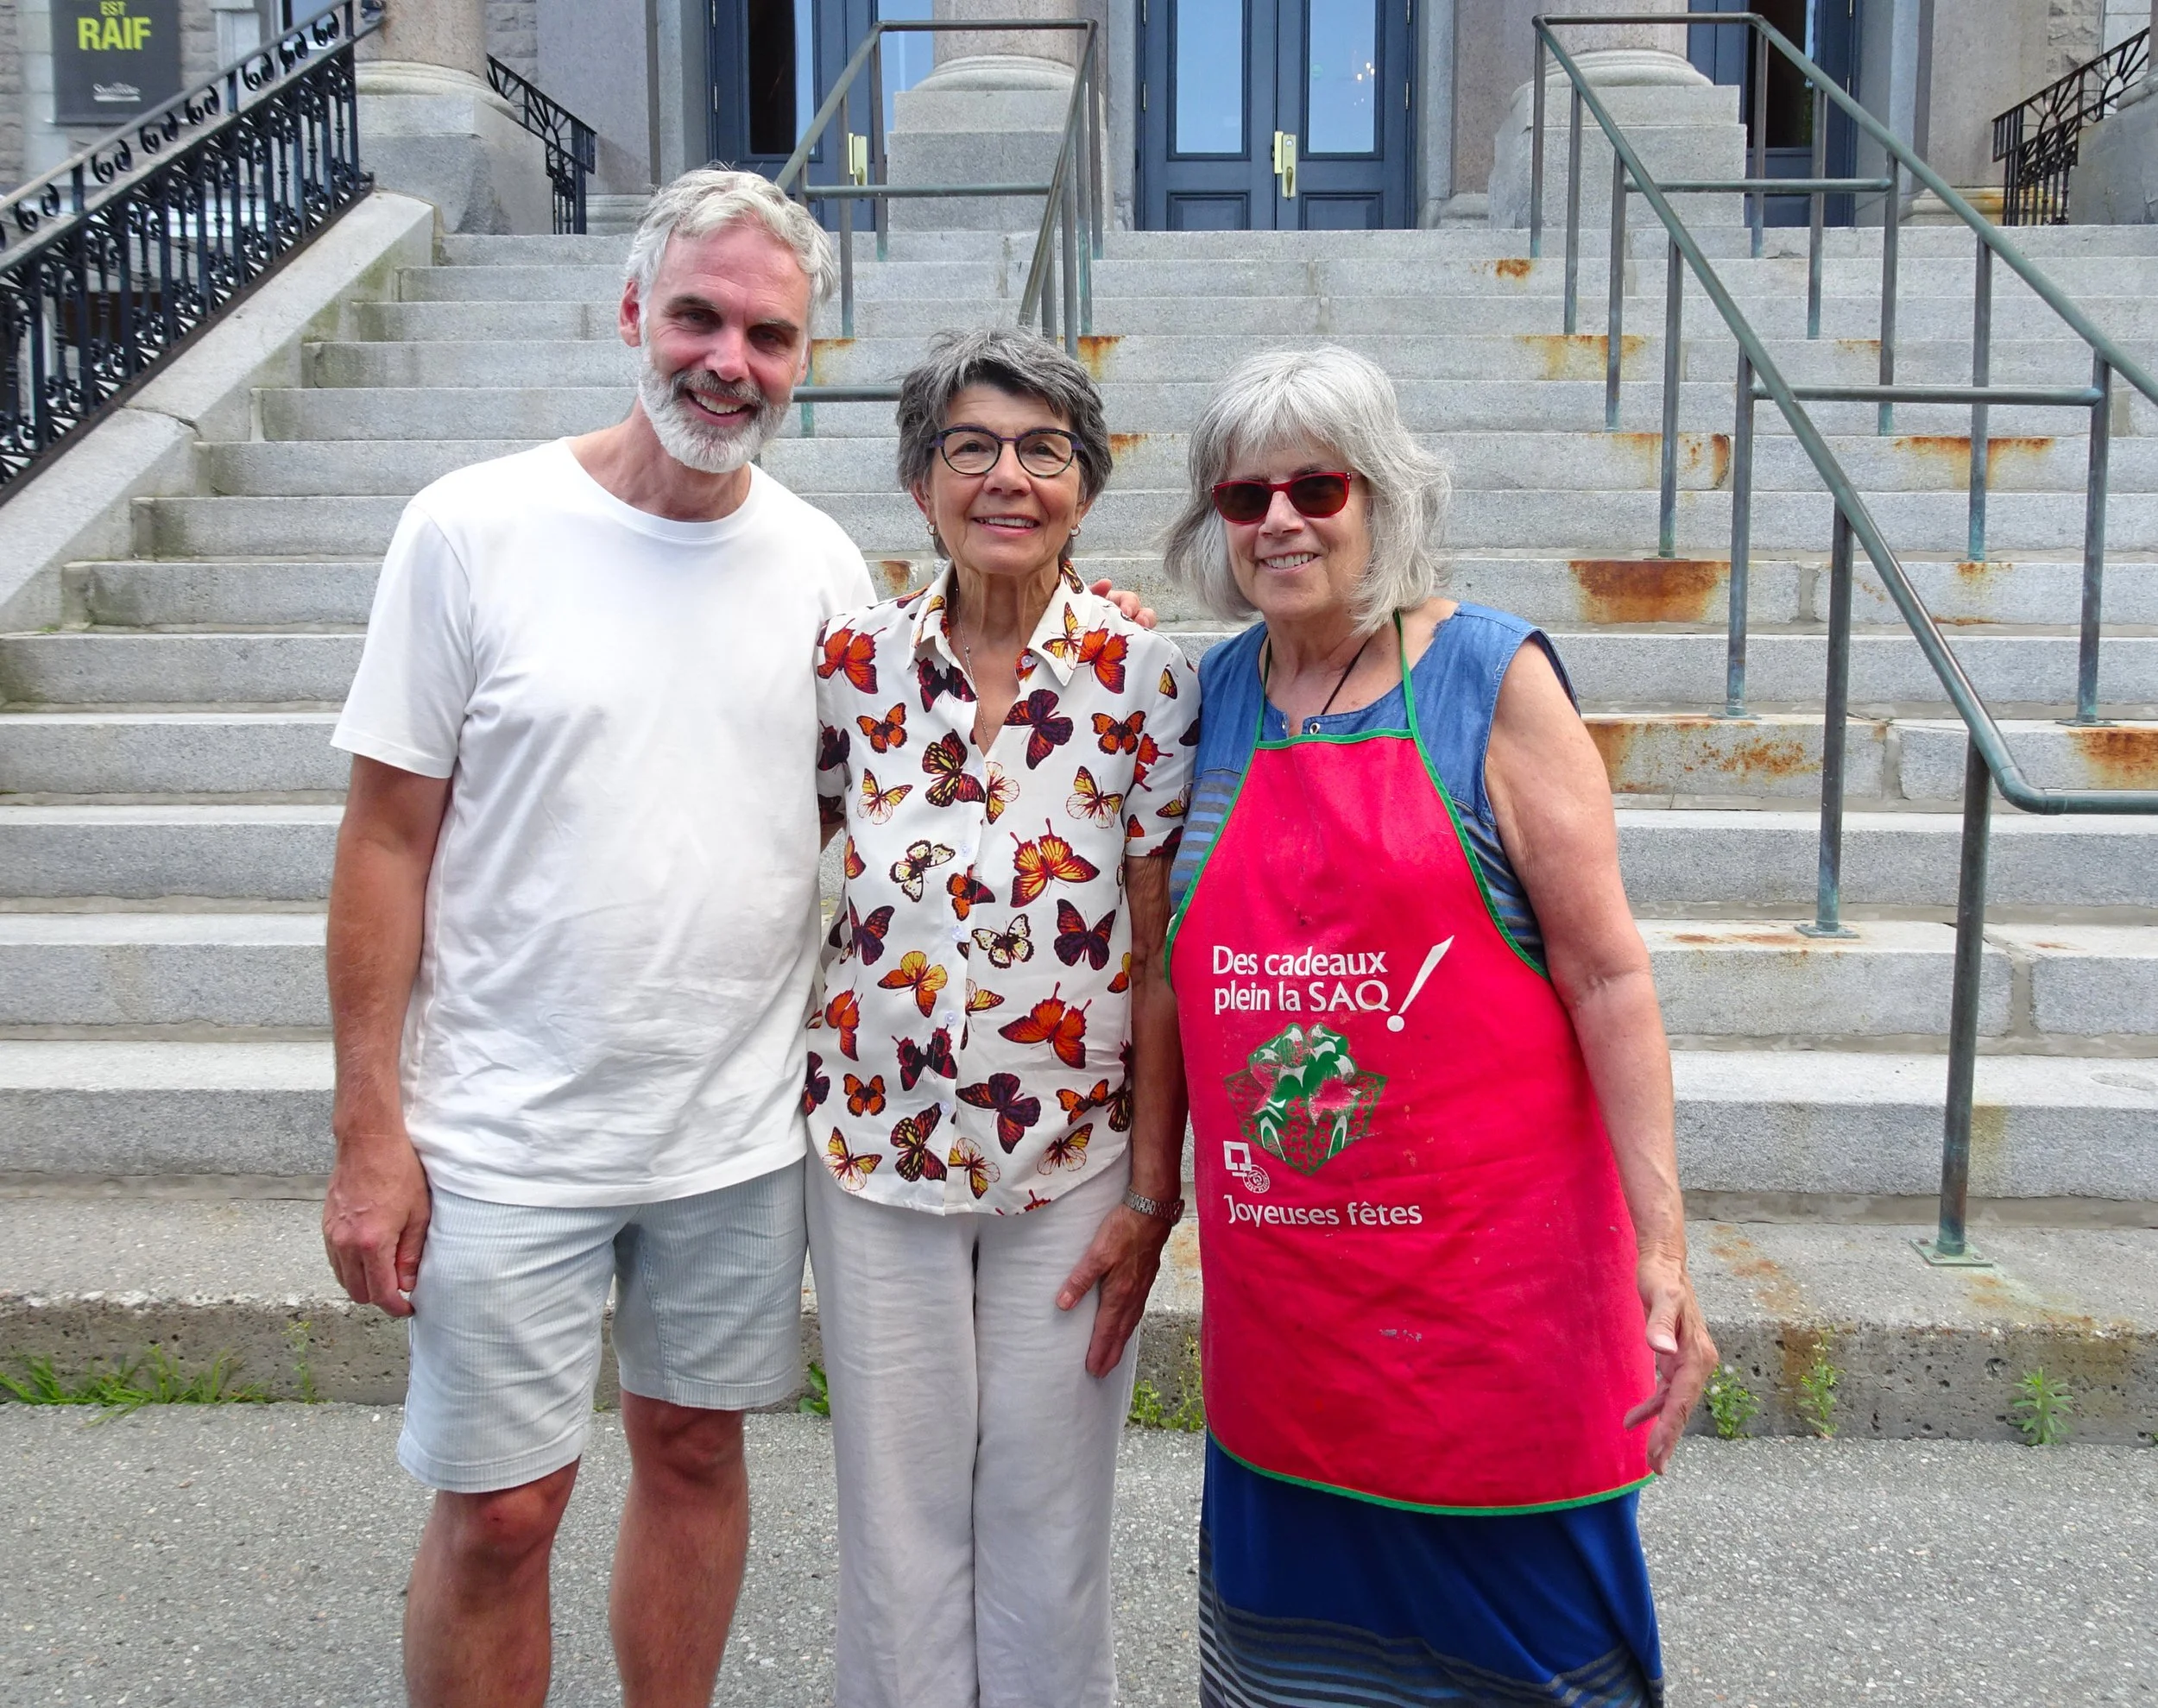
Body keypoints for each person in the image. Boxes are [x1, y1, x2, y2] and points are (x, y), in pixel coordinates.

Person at [320, 169, 873, 1708]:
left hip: (730, 1131)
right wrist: (371, 1123)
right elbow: (382, 840)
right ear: (632, 312)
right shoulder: (472, 529)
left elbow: (854, 830)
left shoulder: (826, 568)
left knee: (694, 1450)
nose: (728, 360)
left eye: (768, 334)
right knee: (502, 1511)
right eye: (697, 314)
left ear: (802, 356)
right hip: (503, 1129)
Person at [1158, 345, 1716, 1707]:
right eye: (1245, 498)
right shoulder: (1211, 696)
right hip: (1289, 1316)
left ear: (1382, 496)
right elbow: (1161, 980)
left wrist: (1665, 1243)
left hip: (1491, 1312)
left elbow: (1605, 977)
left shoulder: (1489, 676)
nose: (1280, 519)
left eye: (1315, 485)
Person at [803, 325, 1198, 1708]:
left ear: (1086, 485)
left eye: (1043, 450)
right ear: (921, 483)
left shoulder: (1146, 676)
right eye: (971, 447)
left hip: (1072, 1162)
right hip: (874, 1146)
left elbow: (1157, 950)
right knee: (895, 1527)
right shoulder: (850, 661)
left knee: (1051, 1525)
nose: (1008, 477)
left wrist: (1155, 1190)